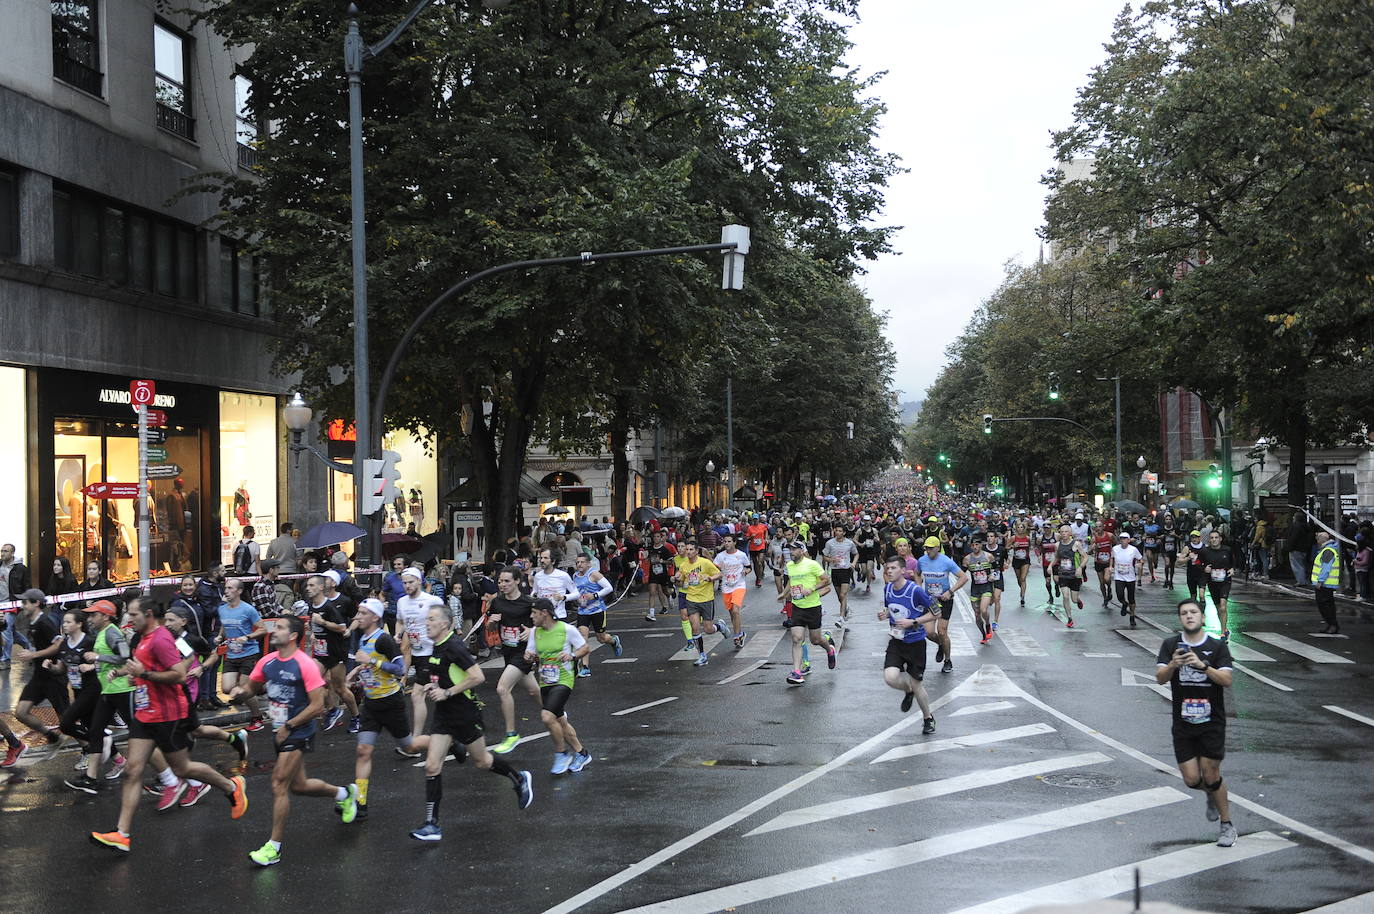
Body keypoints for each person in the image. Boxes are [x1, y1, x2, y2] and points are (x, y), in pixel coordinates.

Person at [90, 597, 248, 854]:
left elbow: (177, 674)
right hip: (145, 713)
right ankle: (122, 834)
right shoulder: (141, 637)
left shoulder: (162, 639)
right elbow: (139, 668)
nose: (129, 619)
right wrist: (127, 673)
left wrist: (144, 674)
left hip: (167, 714)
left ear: (149, 614)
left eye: (133, 614)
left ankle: (232, 786)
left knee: (182, 768)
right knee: (132, 770)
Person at [228, 616, 356, 866]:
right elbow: (252, 689)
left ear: (293, 635)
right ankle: (344, 793)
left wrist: (290, 725)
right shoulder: (268, 662)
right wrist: (238, 694)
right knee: (299, 785)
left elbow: (318, 705)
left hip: (298, 729)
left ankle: (273, 847)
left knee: (278, 783)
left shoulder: (305, 665)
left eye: (280, 628)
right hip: (280, 729)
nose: (274, 631)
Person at [411, 602, 534, 841]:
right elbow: (443, 675)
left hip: (465, 713)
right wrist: (433, 685)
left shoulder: (454, 646)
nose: (427, 623)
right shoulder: (434, 647)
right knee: (431, 766)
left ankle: (519, 779)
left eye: (432, 619)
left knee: (482, 761)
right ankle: (431, 824)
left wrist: (447, 692)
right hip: (444, 715)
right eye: (426, 619)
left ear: (445, 624)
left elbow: (477, 677)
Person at [1155, 599, 1237, 848]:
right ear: (1180, 619)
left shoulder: (1216, 645)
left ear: (1202, 617)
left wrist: (1203, 666)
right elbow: (1159, 679)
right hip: (1183, 722)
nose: (1189, 616)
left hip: (1212, 721)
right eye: (1184, 613)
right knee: (1191, 779)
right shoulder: (1171, 645)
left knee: (1211, 774)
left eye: (1193, 612)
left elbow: (1226, 680)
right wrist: (1173, 665)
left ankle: (1227, 825)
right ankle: (1211, 794)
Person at [344, 598, 418, 821]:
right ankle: (361, 802)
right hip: (372, 704)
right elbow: (368, 661)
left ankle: (449, 742)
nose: (358, 617)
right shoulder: (361, 637)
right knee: (363, 751)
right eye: (358, 612)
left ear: (375, 617)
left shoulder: (383, 639)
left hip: (391, 701)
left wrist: (371, 663)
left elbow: (400, 669)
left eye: (363, 613)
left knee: (411, 746)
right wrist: (357, 671)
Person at [525, 597, 593, 774]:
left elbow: (585, 648)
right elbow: (532, 652)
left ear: (544, 613)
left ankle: (561, 754)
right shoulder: (534, 632)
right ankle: (582, 753)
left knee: (547, 717)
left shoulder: (567, 629)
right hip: (546, 680)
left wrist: (572, 656)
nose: (531, 616)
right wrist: (530, 656)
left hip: (564, 679)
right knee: (560, 721)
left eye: (534, 613)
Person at [879, 556, 937, 733]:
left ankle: (928, 718)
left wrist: (914, 621)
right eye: (887, 568)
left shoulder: (915, 591)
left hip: (915, 643)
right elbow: (892, 610)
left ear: (903, 570)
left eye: (893, 568)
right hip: (897, 641)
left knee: (917, 683)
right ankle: (907, 690)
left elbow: (936, 613)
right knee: (890, 678)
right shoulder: (887, 588)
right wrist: (886, 614)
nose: (889, 571)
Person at [487, 566, 540, 754]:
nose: (502, 585)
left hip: (524, 653)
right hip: (508, 652)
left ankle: (511, 734)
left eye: (507, 581)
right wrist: (492, 622)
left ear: (517, 581)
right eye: (500, 581)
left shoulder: (529, 603)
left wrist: (531, 631)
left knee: (502, 688)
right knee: (534, 691)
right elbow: (492, 628)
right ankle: (554, 711)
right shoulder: (497, 602)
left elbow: (547, 624)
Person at [12, 589, 68, 752]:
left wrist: (33, 654)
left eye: (25, 602)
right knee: (21, 712)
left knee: (66, 722)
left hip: (53, 675)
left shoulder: (46, 621)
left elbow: (58, 645)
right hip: (39, 676)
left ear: (36, 603)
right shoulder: (33, 622)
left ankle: (88, 748)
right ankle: (51, 736)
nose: (22, 606)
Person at [778, 540, 836, 685]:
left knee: (815, 640)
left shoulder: (812, 564)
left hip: (813, 607)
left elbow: (826, 580)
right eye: (789, 550)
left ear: (801, 550)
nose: (791, 553)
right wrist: (784, 594)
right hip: (797, 607)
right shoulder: (790, 565)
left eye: (794, 550)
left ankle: (830, 649)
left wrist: (812, 589)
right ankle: (797, 672)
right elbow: (791, 581)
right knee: (797, 639)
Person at [396, 565, 442, 740]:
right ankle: (451, 737)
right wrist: (398, 633)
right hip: (415, 652)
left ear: (419, 581)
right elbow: (400, 621)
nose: (407, 585)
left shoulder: (431, 600)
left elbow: (447, 619)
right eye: (404, 583)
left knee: (417, 694)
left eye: (411, 582)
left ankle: (415, 740)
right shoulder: (402, 602)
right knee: (436, 694)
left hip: (431, 653)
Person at [216, 578, 267, 731]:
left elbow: (263, 629)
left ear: (239, 591)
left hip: (249, 653)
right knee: (227, 688)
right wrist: (220, 636)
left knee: (245, 689)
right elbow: (225, 625)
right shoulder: (222, 609)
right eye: (226, 588)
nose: (226, 591)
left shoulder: (248, 609)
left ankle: (257, 718)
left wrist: (248, 637)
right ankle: (261, 687)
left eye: (230, 588)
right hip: (232, 654)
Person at [674, 541, 733, 667]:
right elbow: (681, 581)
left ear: (696, 551)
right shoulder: (684, 565)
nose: (688, 551)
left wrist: (711, 578)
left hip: (706, 599)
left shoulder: (704, 563)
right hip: (691, 599)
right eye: (687, 549)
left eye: (691, 549)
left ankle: (720, 627)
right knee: (695, 628)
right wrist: (677, 578)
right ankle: (702, 656)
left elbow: (719, 573)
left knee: (708, 629)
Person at [918, 537, 967, 672]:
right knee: (928, 632)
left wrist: (950, 591)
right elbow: (917, 574)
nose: (928, 551)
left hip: (944, 600)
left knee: (942, 631)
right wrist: (919, 588)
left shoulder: (946, 561)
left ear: (937, 548)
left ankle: (948, 660)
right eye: (926, 548)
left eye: (930, 548)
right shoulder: (922, 561)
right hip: (930, 600)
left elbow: (964, 577)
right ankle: (941, 644)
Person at [571, 552, 622, 676]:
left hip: (597, 610)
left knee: (601, 638)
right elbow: (575, 592)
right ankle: (585, 667)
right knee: (583, 638)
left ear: (588, 563)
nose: (579, 564)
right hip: (583, 611)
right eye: (577, 562)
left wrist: (594, 595)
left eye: (582, 562)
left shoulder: (593, 574)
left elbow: (608, 588)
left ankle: (613, 641)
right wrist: (577, 598)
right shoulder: (575, 576)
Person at [712, 534, 751, 647]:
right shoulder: (720, 556)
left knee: (735, 610)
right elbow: (714, 569)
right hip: (726, 587)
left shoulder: (741, 555)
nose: (727, 544)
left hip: (739, 585)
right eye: (725, 541)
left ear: (734, 543)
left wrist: (746, 571)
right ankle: (740, 633)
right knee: (732, 613)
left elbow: (749, 567)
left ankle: (737, 635)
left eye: (729, 541)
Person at [0, 542, 32, 669]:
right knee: (11, 632)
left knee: (5, 629)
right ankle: (29, 646)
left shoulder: (21, 568)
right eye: (2, 551)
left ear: (12, 553)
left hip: (12, 603)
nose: (2, 553)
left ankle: (5, 659)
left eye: (5, 551)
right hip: (0, 603)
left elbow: (27, 586)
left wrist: (24, 602)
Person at [821, 525, 859, 626]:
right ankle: (846, 608)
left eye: (840, 531)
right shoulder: (829, 543)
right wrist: (831, 560)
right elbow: (824, 556)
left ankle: (841, 618)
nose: (837, 532)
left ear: (844, 533)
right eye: (836, 530)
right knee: (840, 597)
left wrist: (853, 563)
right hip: (835, 570)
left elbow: (856, 554)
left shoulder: (849, 543)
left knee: (843, 594)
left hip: (846, 570)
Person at [1199, 530, 1233, 639]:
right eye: (1212, 538)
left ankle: (1222, 632)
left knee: (1223, 607)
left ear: (1220, 539)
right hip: (1212, 583)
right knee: (1218, 608)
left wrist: (1232, 569)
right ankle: (1225, 629)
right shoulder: (1205, 551)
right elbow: (1198, 564)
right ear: (1209, 539)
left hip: (1225, 581)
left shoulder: (1227, 550)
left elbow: (1233, 562)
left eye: (1216, 537)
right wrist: (1204, 568)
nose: (1214, 540)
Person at [963, 537, 996, 645]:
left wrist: (993, 575)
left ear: (981, 545)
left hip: (986, 587)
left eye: (977, 545)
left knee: (983, 610)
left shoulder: (988, 556)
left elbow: (997, 569)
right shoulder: (967, 559)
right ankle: (983, 635)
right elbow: (961, 573)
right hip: (975, 589)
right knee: (977, 615)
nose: (975, 547)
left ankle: (988, 624)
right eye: (972, 545)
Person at [1053, 524, 1086, 627]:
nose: (1064, 534)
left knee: (1074, 599)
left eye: (1066, 531)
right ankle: (1069, 618)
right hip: (1063, 574)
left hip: (1074, 575)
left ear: (1070, 533)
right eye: (1062, 532)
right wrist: (1051, 567)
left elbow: (1085, 557)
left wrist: (1080, 567)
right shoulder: (1057, 545)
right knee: (1065, 596)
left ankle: (1078, 600)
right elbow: (1056, 558)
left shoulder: (1076, 544)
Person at [1311, 531, 1342, 634]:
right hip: (1326, 583)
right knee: (1328, 605)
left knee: (1324, 605)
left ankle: (1332, 625)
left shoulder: (1328, 551)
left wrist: (1320, 581)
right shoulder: (1327, 550)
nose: (1317, 541)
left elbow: (1326, 568)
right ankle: (1331, 625)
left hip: (1325, 584)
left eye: (1318, 539)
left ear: (1322, 540)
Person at [1110, 532, 1144, 627]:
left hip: (1130, 577)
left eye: (1125, 539)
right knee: (1119, 595)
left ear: (1129, 540)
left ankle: (1132, 616)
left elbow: (1141, 559)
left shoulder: (1133, 549)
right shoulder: (1115, 549)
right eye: (1121, 538)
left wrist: (1140, 564)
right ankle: (1124, 604)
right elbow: (1111, 558)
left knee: (1131, 598)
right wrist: (1110, 566)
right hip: (1119, 576)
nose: (1123, 540)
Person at [1091, 526, 1115, 609]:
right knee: (1101, 582)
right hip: (1098, 562)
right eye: (1096, 527)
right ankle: (1105, 598)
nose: (1098, 528)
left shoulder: (1110, 535)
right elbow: (1090, 551)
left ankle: (1109, 588)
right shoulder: (1094, 538)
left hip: (1108, 561)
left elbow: (1116, 545)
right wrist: (1094, 548)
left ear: (1103, 527)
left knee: (1107, 579)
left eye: (1100, 526)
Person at [745, 515, 770, 587]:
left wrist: (766, 538)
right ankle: (758, 578)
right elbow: (747, 538)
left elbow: (766, 532)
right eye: (754, 519)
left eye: (756, 519)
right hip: (752, 548)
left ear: (758, 519)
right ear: (752, 520)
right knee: (755, 564)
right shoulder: (750, 528)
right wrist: (751, 537)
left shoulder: (763, 526)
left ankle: (760, 575)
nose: (755, 521)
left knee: (759, 562)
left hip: (761, 546)